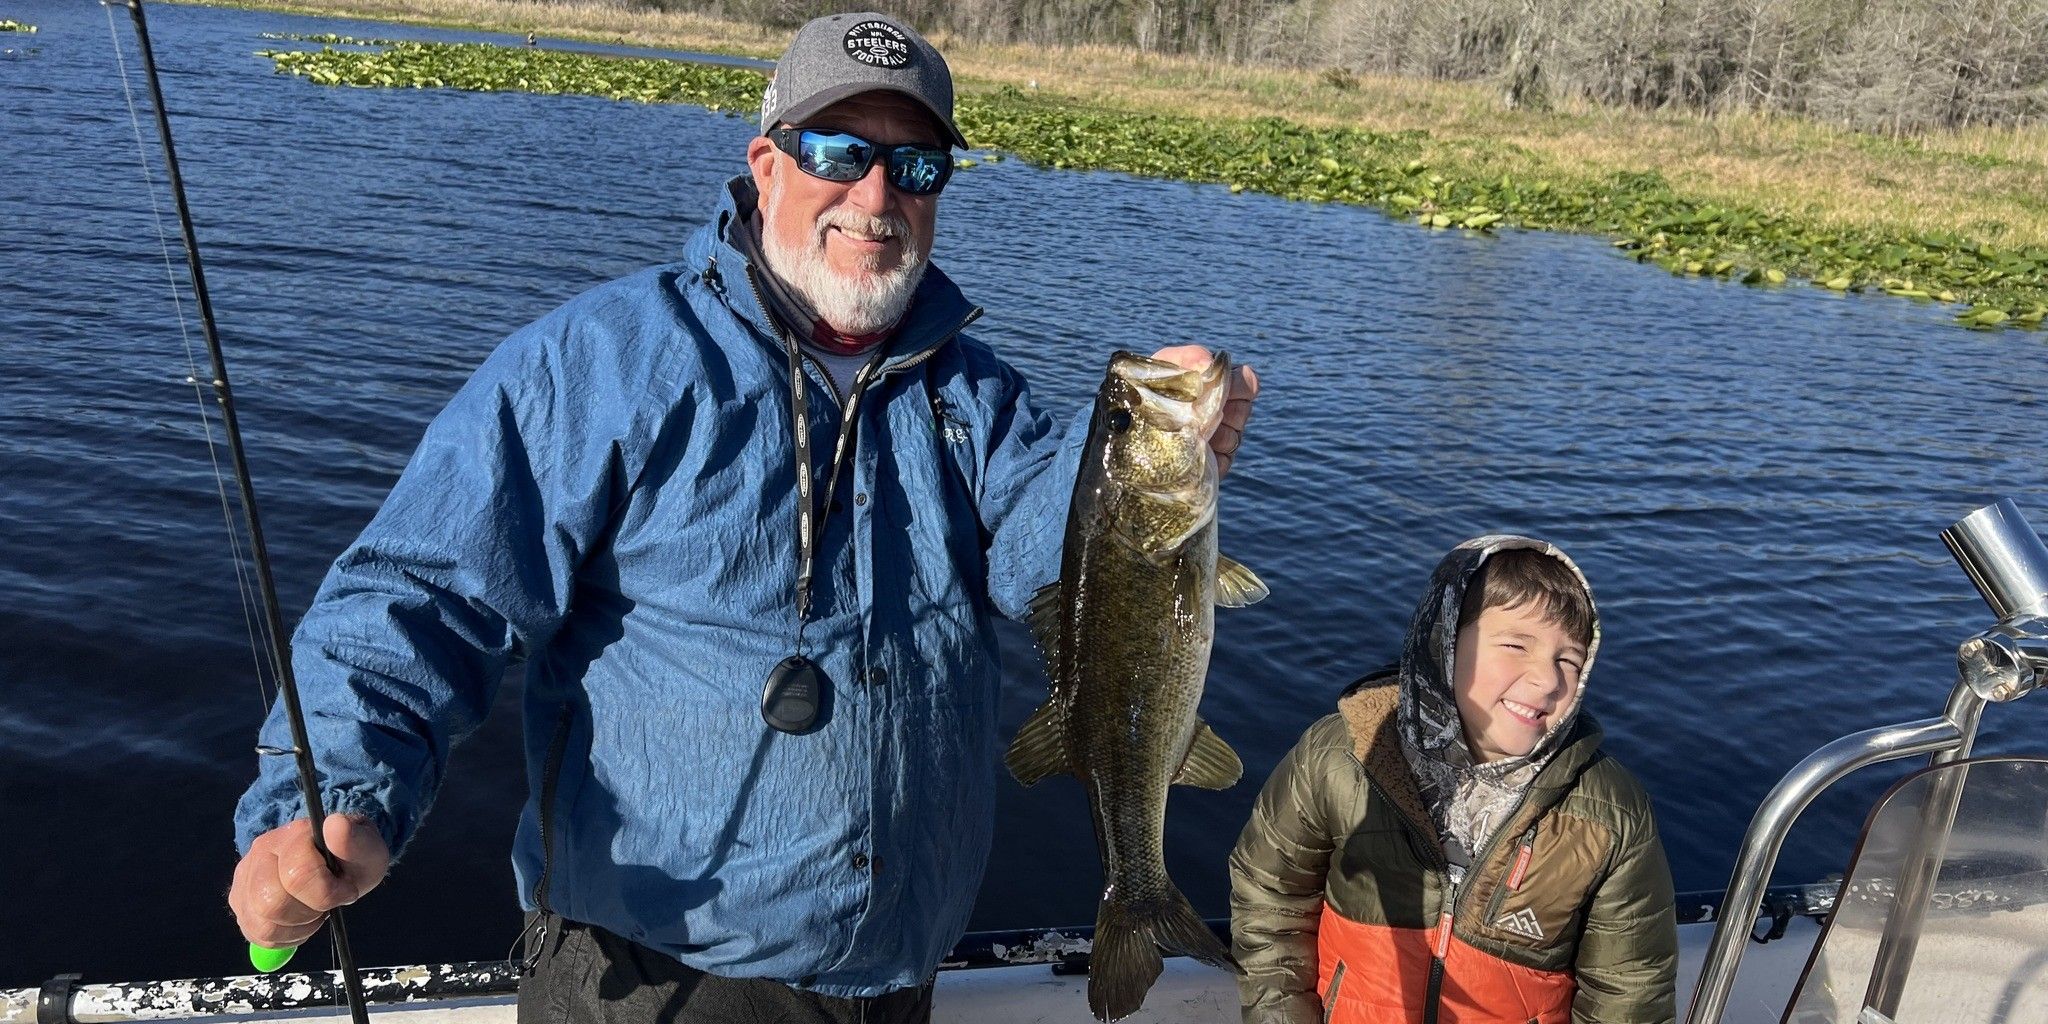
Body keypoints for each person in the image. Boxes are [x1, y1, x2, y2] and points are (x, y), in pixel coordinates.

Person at [225, 11, 1257, 1024]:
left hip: (898, 974)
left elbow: (1049, 561)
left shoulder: (976, 394)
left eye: (915, 167)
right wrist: (332, 795)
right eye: (838, 152)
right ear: (766, 164)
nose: (875, 196)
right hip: (652, 981)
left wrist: (1150, 469)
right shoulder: (600, 361)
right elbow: (422, 595)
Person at [1230, 536, 1677, 1024]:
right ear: (1441, 640)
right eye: (1516, 645)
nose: (1548, 680)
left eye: (1568, 660)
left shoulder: (1610, 812)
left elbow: (1629, 988)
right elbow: (1270, 897)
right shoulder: (1340, 757)